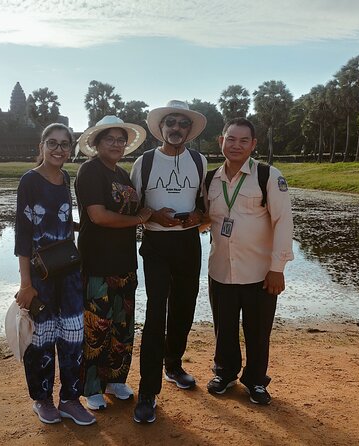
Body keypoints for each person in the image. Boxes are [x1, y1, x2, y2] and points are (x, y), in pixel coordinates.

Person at [204, 117, 294, 405]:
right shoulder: (210, 179)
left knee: (257, 331)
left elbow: (283, 223)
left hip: (259, 273)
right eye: (231, 139)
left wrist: (277, 269)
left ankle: (256, 380)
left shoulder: (268, 175)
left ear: (253, 144)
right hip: (220, 269)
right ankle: (225, 373)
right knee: (224, 328)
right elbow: (206, 220)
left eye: (244, 140)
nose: (236, 145)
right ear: (221, 141)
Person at [129, 100, 208, 423]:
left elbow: (205, 206)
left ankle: (173, 363)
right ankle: (148, 391)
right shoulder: (144, 163)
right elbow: (132, 208)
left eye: (182, 124)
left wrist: (196, 218)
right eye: (170, 123)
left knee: (185, 308)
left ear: (189, 130)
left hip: (188, 243)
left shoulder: (199, 161)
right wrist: (153, 217)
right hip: (156, 245)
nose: (176, 129)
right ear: (160, 128)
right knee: (155, 312)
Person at [14, 123, 96, 426]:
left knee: (74, 337)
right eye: (52, 143)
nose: (59, 149)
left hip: (69, 273)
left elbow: (63, 224)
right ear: (41, 147)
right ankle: (43, 399)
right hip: (41, 276)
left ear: (70, 148)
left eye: (64, 144)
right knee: (41, 339)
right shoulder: (30, 182)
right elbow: (23, 236)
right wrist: (26, 283)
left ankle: (70, 399)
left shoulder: (65, 179)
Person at [74, 115, 153, 411]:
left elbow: (138, 208)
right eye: (110, 139)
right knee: (97, 326)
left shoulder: (121, 174)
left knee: (122, 324)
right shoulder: (90, 171)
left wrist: (150, 215)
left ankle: (115, 378)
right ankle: (91, 386)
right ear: (96, 143)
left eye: (121, 140)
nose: (117, 144)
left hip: (124, 261)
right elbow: (98, 216)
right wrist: (138, 220)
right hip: (97, 263)